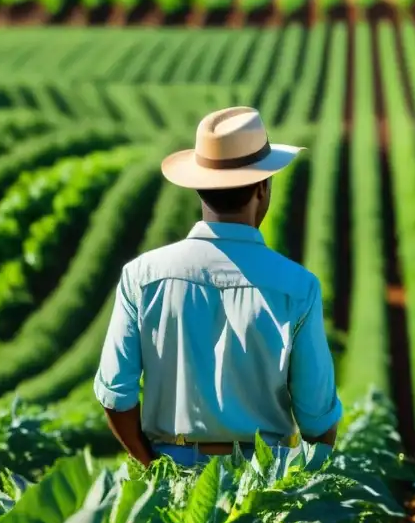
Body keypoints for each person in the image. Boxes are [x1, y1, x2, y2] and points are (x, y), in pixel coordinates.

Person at [93, 106, 342, 467]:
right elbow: (318, 419)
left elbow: (116, 396)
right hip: (265, 480)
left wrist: (152, 464)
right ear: (262, 187)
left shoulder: (142, 277)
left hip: (172, 472)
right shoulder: (298, 287)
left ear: (199, 187)